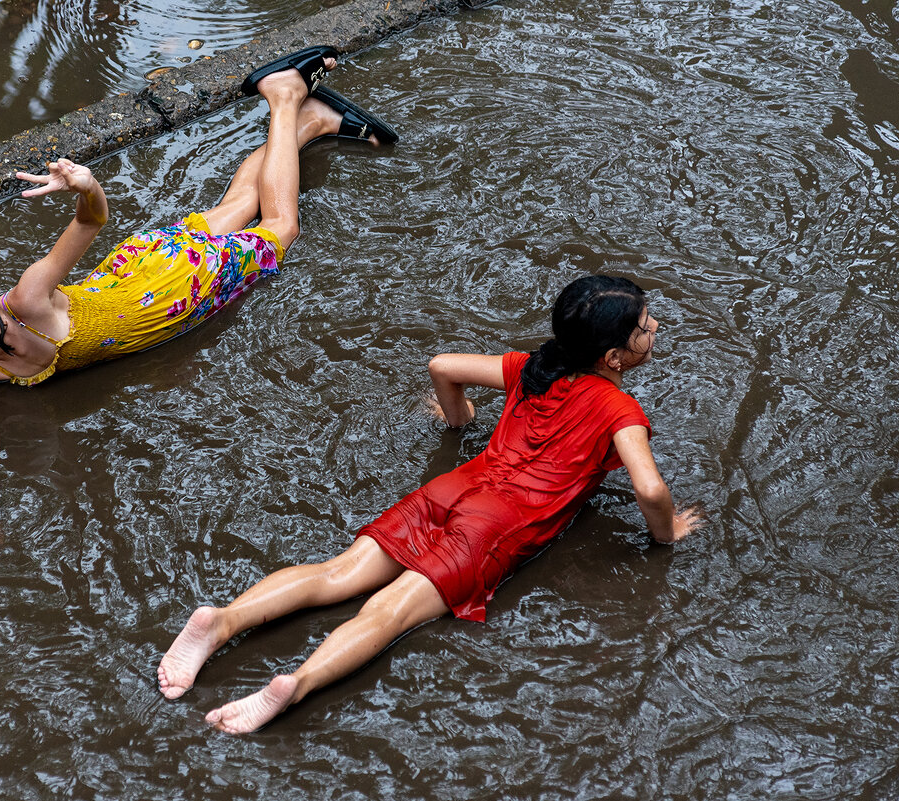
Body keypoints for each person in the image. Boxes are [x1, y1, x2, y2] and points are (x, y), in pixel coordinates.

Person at [0, 46, 398, 553]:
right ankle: (311, 123)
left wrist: (86, 186)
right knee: (240, 203)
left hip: (179, 288)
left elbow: (91, 222)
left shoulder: (28, 299)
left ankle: (285, 98)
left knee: (280, 227)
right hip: (141, 264)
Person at [157, 275, 705, 734]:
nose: (653, 328)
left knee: (337, 573)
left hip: (453, 489)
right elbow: (652, 490)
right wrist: (666, 533)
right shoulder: (618, 409)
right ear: (614, 355)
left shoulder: (530, 367)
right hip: (495, 526)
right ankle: (293, 686)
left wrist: (459, 419)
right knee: (388, 612)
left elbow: (443, 366)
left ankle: (222, 621)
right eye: (644, 327)